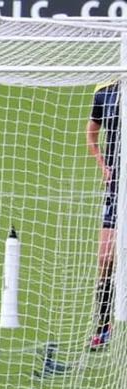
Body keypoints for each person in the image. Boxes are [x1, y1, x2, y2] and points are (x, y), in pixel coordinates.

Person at [86, 79, 119, 351]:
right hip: (117, 187)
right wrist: (103, 166)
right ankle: (103, 327)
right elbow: (91, 134)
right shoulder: (104, 91)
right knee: (106, 257)